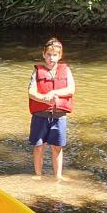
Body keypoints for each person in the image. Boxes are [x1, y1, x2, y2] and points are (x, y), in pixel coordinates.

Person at [28, 37, 75, 181]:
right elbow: (31, 92)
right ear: (43, 54)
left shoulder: (66, 70)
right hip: (40, 115)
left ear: (60, 56)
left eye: (55, 55)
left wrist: (54, 93)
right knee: (38, 146)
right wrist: (44, 98)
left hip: (58, 116)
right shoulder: (37, 72)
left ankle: (58, 176)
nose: (51, 58)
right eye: (48, 54)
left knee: (57, 147)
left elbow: (71, 89)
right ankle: (38, 175)